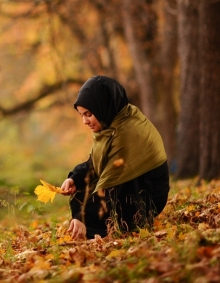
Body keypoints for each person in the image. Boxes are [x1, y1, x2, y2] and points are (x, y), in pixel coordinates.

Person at [60, 75, 170, 240]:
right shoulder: (112, 124)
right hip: (126, 184)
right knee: (82, 192)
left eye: (88, 114)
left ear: (103, 106)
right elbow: (96, 162)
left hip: (146, 194)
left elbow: (111, 183)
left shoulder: (126, 131)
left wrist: (84, 217)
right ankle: (94, 227)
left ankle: (114, 227)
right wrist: (75, 179)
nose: (84, 121)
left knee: (93, 201)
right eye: (82, 115)